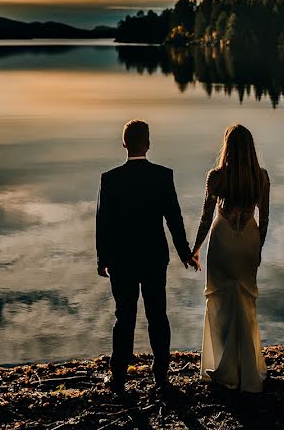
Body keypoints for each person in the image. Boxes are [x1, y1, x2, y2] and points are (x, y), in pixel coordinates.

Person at [96, 119, 196, 394]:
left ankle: (118, 379)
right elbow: (174, 220)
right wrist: (185, 254)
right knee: (158, 316)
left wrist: (101, 260)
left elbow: (103, 223)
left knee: (124, 318)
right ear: (148, 144)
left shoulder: (110, 179)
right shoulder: (163, 176)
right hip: (154, 257)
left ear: (124, 144)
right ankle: (161, 377)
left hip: (121, 260)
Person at [190, 124, 270, 392]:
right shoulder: (261, 177)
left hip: (222, 238)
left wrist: (195, 248)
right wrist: (258, 249)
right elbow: (265, 219)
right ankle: (247, 367)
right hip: (249, 237)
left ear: (227, 147)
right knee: (246, 300)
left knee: (220, 300)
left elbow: (205, 217)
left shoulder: (216, 177)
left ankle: (223, 365)